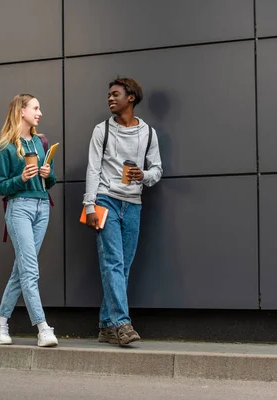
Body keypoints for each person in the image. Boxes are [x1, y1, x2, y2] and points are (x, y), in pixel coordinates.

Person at [83, 77, 163, 346]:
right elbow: (93, 169)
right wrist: (89, 205)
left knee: (123, 267)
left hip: (133, 204)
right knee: (113, 263)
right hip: (106, 200)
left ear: (131, 98)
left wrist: (145, 175)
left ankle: (106, 324)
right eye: (108, 95)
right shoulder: (101, 130)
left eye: (115, 94)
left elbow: (157, 170)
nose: (110, 99)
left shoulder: (148, 133)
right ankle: (122, 324)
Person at [0, 94, 58, 347]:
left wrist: (47, 174)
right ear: (21, 111)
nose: (39, 113)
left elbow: (50, 182)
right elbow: (0, 186)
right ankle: (42, 327)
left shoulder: (41, 142)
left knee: (22, 270)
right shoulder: (6, 147)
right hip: (19, 208)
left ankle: (0, 324)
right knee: (30, 270)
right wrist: (22, 179)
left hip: (43, 207)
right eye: (36, 108)